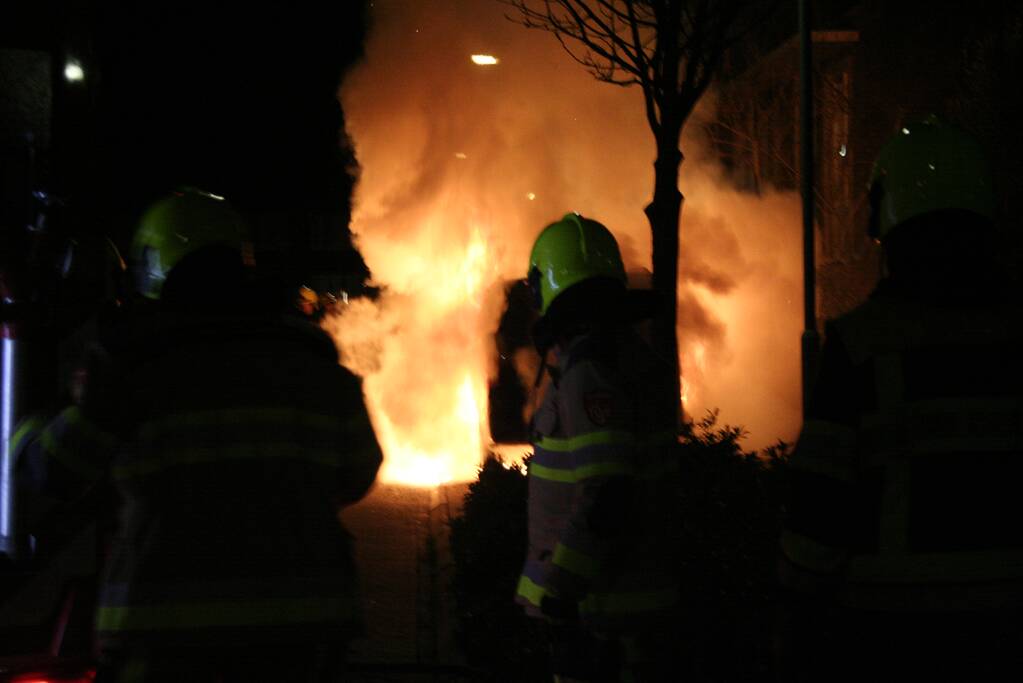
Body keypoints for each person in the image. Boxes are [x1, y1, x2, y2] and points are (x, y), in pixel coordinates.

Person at [17, 188, 383, 681]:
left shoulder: (132, 366)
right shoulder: (313, 367)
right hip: (304, 634)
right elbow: (358, 472)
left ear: (153, 267)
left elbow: (53, 471)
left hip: (165, 638)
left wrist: (33, 416)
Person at [777, 117, 1023, 681]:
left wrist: (792, 621)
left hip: (893, 636)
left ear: (886, 222)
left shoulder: (862, 345)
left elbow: (817, 514)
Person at [515, 213, 680, 682]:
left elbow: (608, 493)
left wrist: (560, 589)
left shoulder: (589, 371)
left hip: (599, 615)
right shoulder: (629, 356)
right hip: (632, 611)